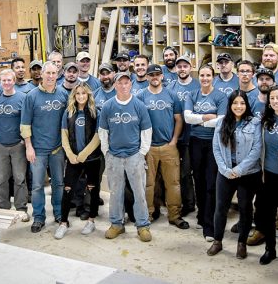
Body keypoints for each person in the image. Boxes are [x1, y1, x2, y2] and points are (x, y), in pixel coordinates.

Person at [99, 71, 153, 242]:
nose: (123, 86)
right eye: (120, 83)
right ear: (115, 85)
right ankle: (116, 224)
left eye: (126, 83)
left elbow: (146, 131)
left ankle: (143, 225)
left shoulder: (139, 106)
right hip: (114, 156)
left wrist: (141, 153)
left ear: (131, 85)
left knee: (139, 193)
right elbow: (103, 132)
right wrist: (107, 152)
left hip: (134, 156)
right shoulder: (108, 106)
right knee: (115, 193)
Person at [208, 90, 262, 259]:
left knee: (245, 208)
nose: (238, 106)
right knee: (221, 208)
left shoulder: (254, 123)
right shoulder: (221, 122)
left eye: (242, 103)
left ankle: (242, 244)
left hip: (248, 173)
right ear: (230, 105)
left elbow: (256, 150)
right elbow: (216, 148)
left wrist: (239, 170)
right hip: (225, 172)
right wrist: (224, 169)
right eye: (235, 103)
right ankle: (217, 241)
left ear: (247, 105)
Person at [137, 64, 188, 229]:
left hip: (168, 146)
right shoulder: (140, 96)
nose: (154, 77)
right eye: (151, 75)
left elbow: (179, 119)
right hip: (149, 148)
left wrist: (174, 141)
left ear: (162, 76)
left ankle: (175, 216)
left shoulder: (171, 95)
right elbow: (136, 122)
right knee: (148, 184)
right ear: (147, 77)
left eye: (157, 75)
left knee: (173, 183)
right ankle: (149, 214)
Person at [21, 62, 68, 233]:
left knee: (59, 184)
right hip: (38, 150)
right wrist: (28, 147)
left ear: (58, 74)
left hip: (58, 149)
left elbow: (67, 122)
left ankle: (58, 213)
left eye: (54, 73)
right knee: (37, 186)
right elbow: (25, 124)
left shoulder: (63, 94)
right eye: (47, 72)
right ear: (41, 74)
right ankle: (39, 217)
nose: (50, 76)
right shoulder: (31, 96)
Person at [184, 62, 228, 241]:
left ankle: (209, 226)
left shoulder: (221, 96)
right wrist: (206, 117)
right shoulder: (192, 94)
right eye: (202, 75)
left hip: (213, 143)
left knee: (211, 183)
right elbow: (187, 117)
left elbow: (222, 120)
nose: (204, 79)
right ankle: (202, 215)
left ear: (213, 77)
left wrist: (199, 120)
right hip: (195, 142)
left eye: (208, 75)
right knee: (199, 181)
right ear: (198, 77)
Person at [55, 82, 102, 239]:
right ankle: (63, 222)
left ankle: (91, 220)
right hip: (73, 159)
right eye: (78, 94)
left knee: (93, 189)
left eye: (84, 93)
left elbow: (97, 136)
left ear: (88, 95)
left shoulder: (95, 112)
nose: (81, 96)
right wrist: (70, 154)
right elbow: (64, 134)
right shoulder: (68, 112)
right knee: (67, 189)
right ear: (73, 96)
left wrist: (84, 154)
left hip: (92, 159)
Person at [255, 85, 278, 265]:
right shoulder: (264, 120)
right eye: (272, 99)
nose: (276, 101)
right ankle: (270, 249)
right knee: (268, 215)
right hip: (268, 175)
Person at [0, 69, 29, 221]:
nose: (6, 83)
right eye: (3, 80)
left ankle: (21, 208)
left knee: (20, 178)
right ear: (0, 81)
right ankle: (3, 207)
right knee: (1, 179)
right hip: (0, 145)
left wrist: (23, 140)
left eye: (9, 80)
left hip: (18, 145)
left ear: (14, 81)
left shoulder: (22, 98)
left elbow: (26, 120)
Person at [167, 56, 199, 217]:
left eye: (185, 66)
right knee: (178, 173)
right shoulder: (171, 87)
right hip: (175, 136)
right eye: (179, 66)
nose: (182, 69)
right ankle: (182, 203)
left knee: (189, 172)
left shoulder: (198, 85)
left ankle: (191, 203)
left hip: (193, 135)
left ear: (191, 67)